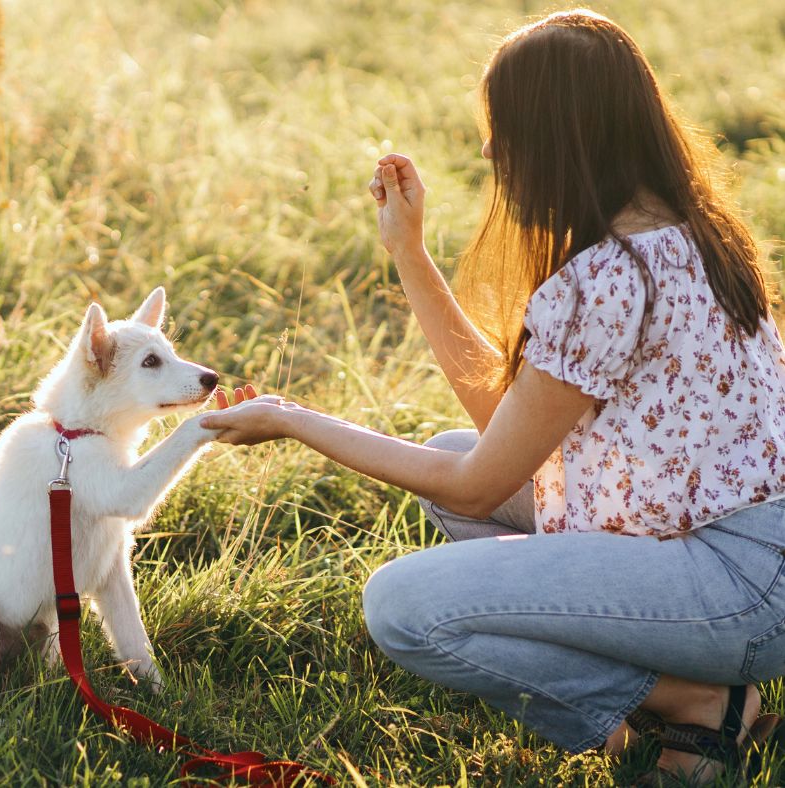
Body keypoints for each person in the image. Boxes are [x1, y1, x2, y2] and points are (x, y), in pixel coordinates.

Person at [200, 9, 785, 783]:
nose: (487, 148)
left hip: (736, 588)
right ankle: (699, 697)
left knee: (402, 608)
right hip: (743, 548)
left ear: (556, 135)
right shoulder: (690, 231)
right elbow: (504, 437)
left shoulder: (611, 278)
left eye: (501, 127)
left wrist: (289, 417)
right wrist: (408, 254)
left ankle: (693, 701)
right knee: (449, 454)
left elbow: (481, 489)